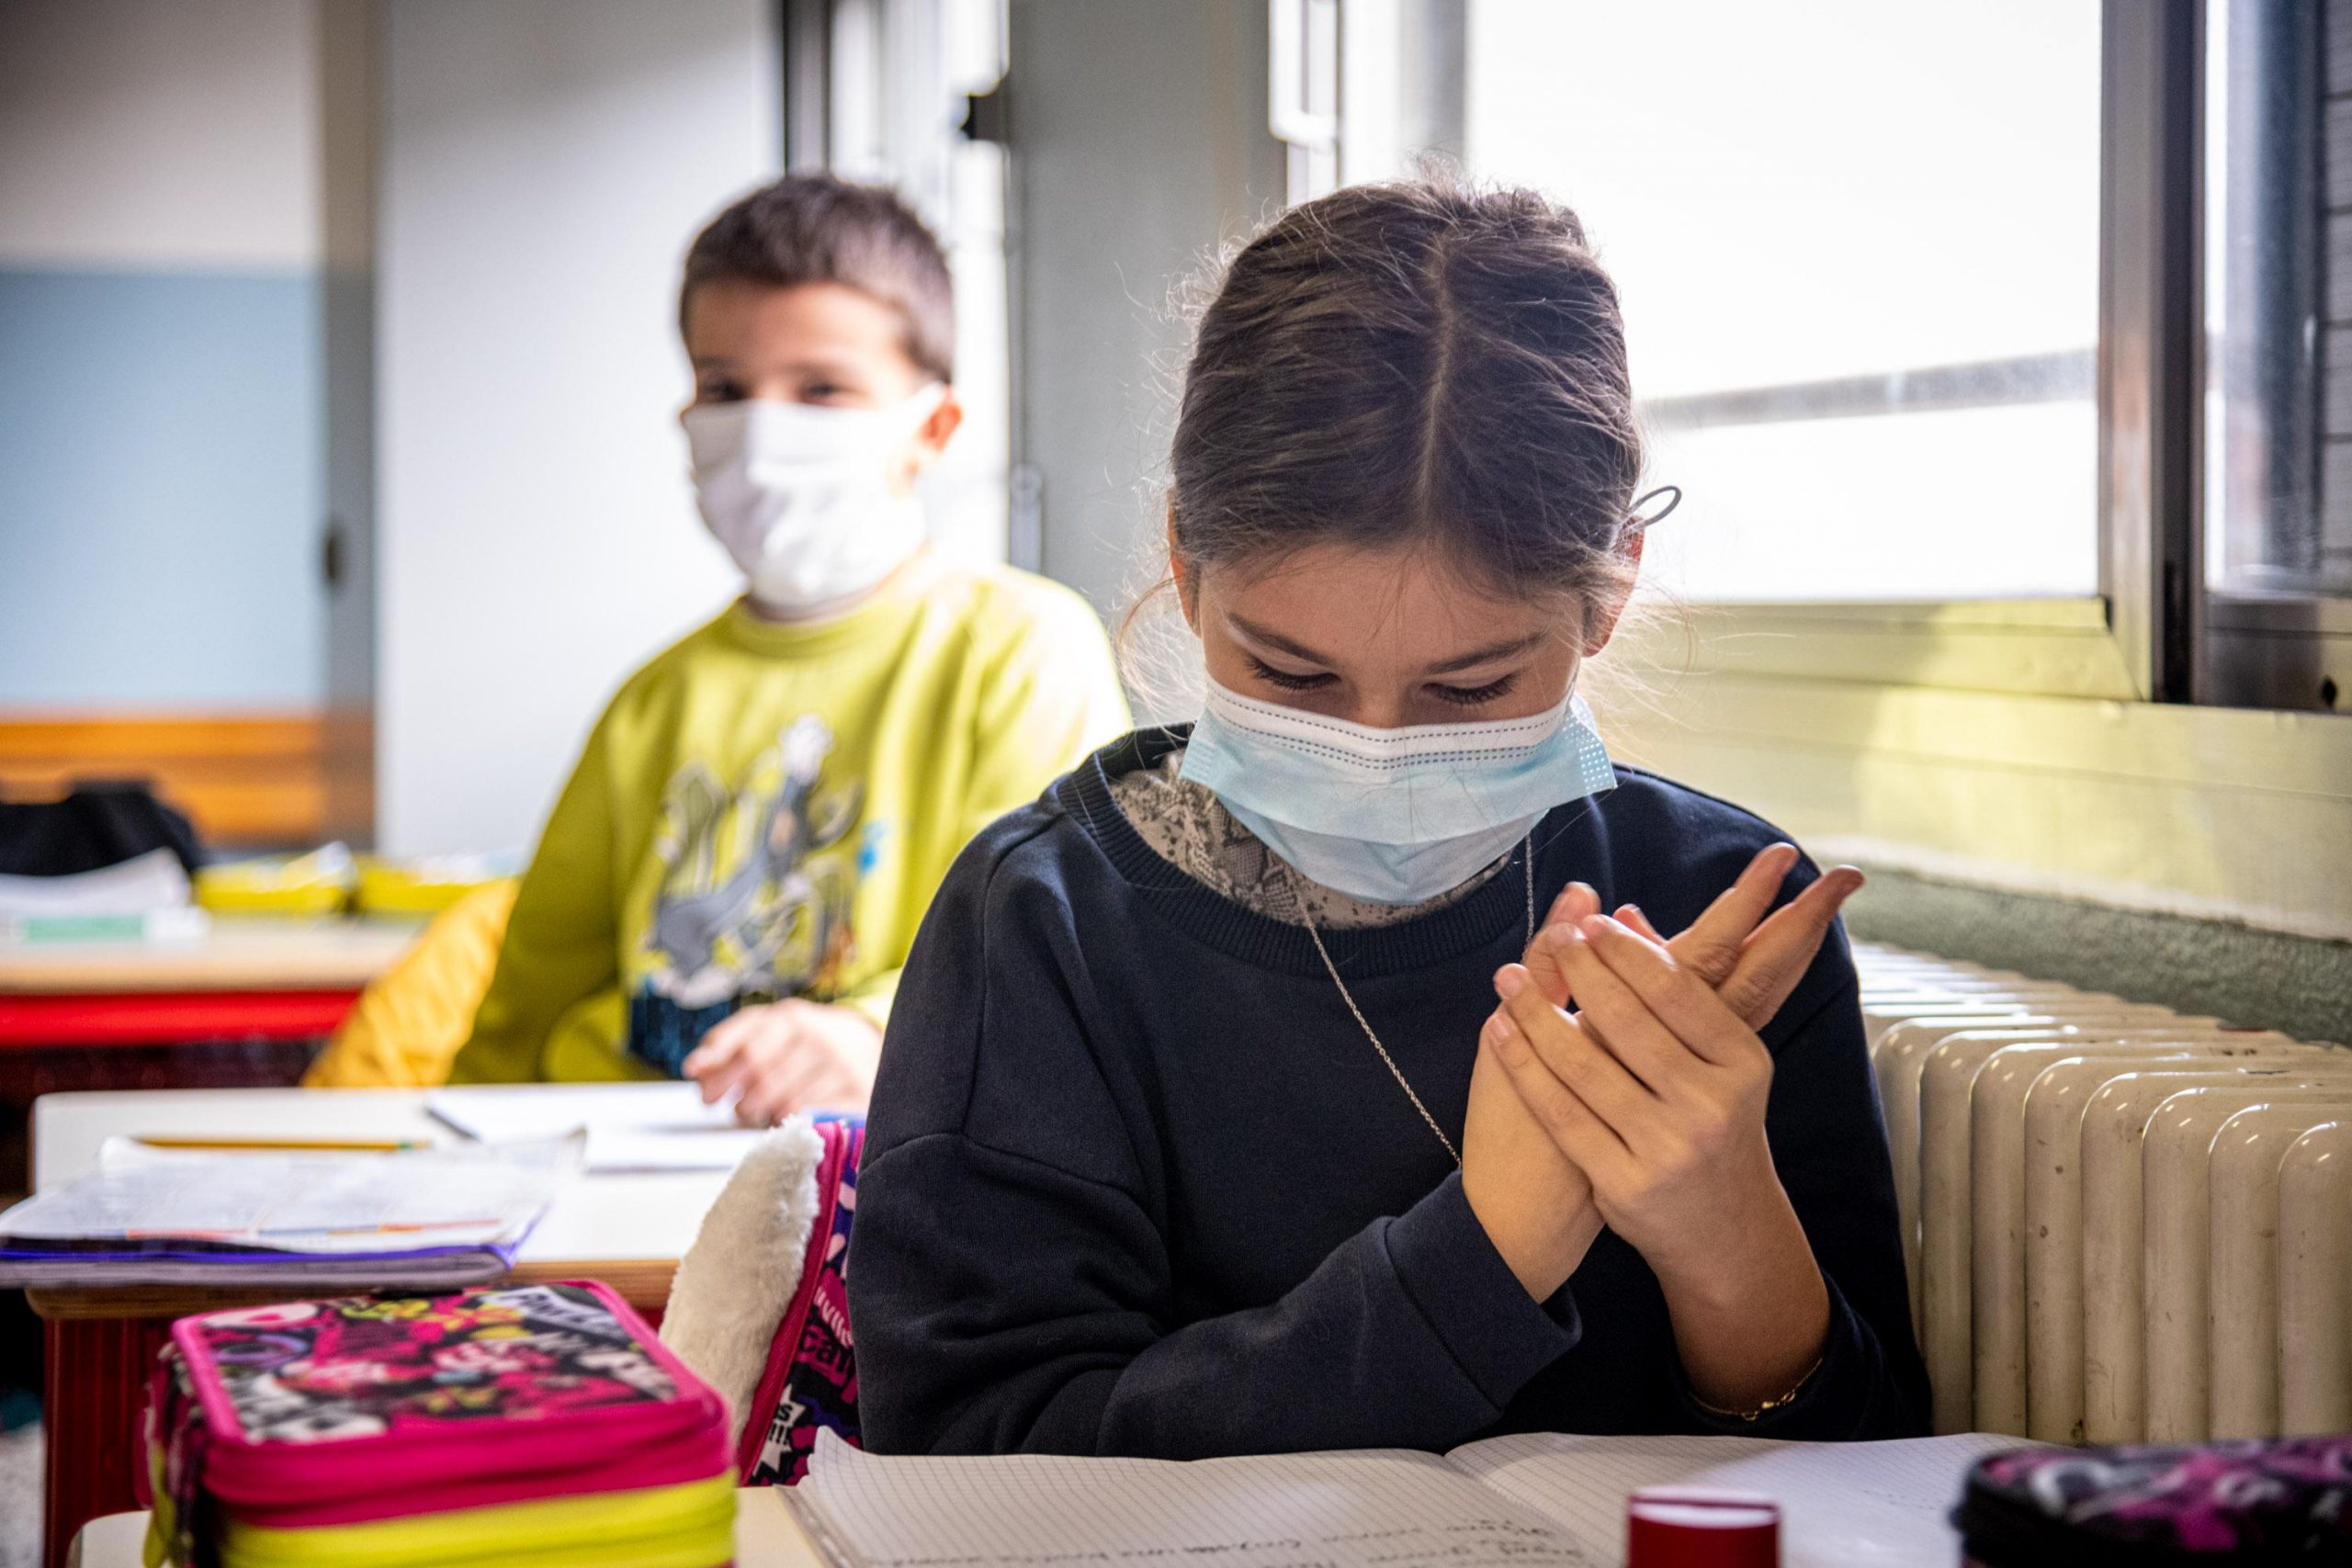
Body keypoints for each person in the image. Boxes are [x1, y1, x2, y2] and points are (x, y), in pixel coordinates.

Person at [849, 177, 1929, 1455]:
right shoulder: (1043, 925)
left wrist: (1726, 1229)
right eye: (1292, 676)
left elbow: (1865, 1469)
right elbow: (970, 1457)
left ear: (1609, 592)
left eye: (1471, 688)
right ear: (1187, 566)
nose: (1376, 749)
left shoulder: (1722, 908)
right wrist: (1483, 1253)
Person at [447, 175, 1130, 1122]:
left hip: (869, 1170)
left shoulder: (1019, 652)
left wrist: (869, 1034)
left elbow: (1052, 960)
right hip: (620, 1165)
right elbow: (521, 1022)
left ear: (929, 429)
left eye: (821, 389)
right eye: (724, 388)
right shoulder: (654, 699)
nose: (764, 433)